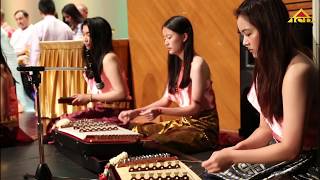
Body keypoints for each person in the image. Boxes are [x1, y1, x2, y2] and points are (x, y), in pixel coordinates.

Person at [202, 0, 319, 179]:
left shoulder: (298, 71)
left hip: (307, 160)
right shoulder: (266, 68)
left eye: (248, 34)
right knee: (213, 176)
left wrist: (233, 156)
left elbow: (291, 149)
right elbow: (265, 130)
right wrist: (238, 148)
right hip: (278, 149)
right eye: (242, 35)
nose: (244, 42)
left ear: (270, 29)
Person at [118, 16, 219, 154]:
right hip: (184, 124)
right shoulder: (177, 65)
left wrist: (160, 111)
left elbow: (195, 108)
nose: (166, 42)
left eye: (169, 37)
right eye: (164, 38)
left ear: (184, 37)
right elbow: (165, 100)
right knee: (134, 130)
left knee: (152, 142)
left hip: (202, 128)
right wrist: (136, 112)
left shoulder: (197, 64)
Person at [52, 17, 131, 127]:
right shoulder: (94, 58)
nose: (85, 39)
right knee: (58, 122)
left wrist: (89, 97)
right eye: (84, 34)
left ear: (100, 36)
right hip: (100, 110)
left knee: (64, 124)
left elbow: (121, 93)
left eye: (89, 34)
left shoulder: (108, 58)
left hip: (114, 112)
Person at [29, 0, 73, 66]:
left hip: (45, 68)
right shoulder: (66, 27)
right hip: (64, 68)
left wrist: (32, 70)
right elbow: (71, 50)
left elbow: (36, 51)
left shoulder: (37, 27)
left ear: (40, 11)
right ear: (54, 10)